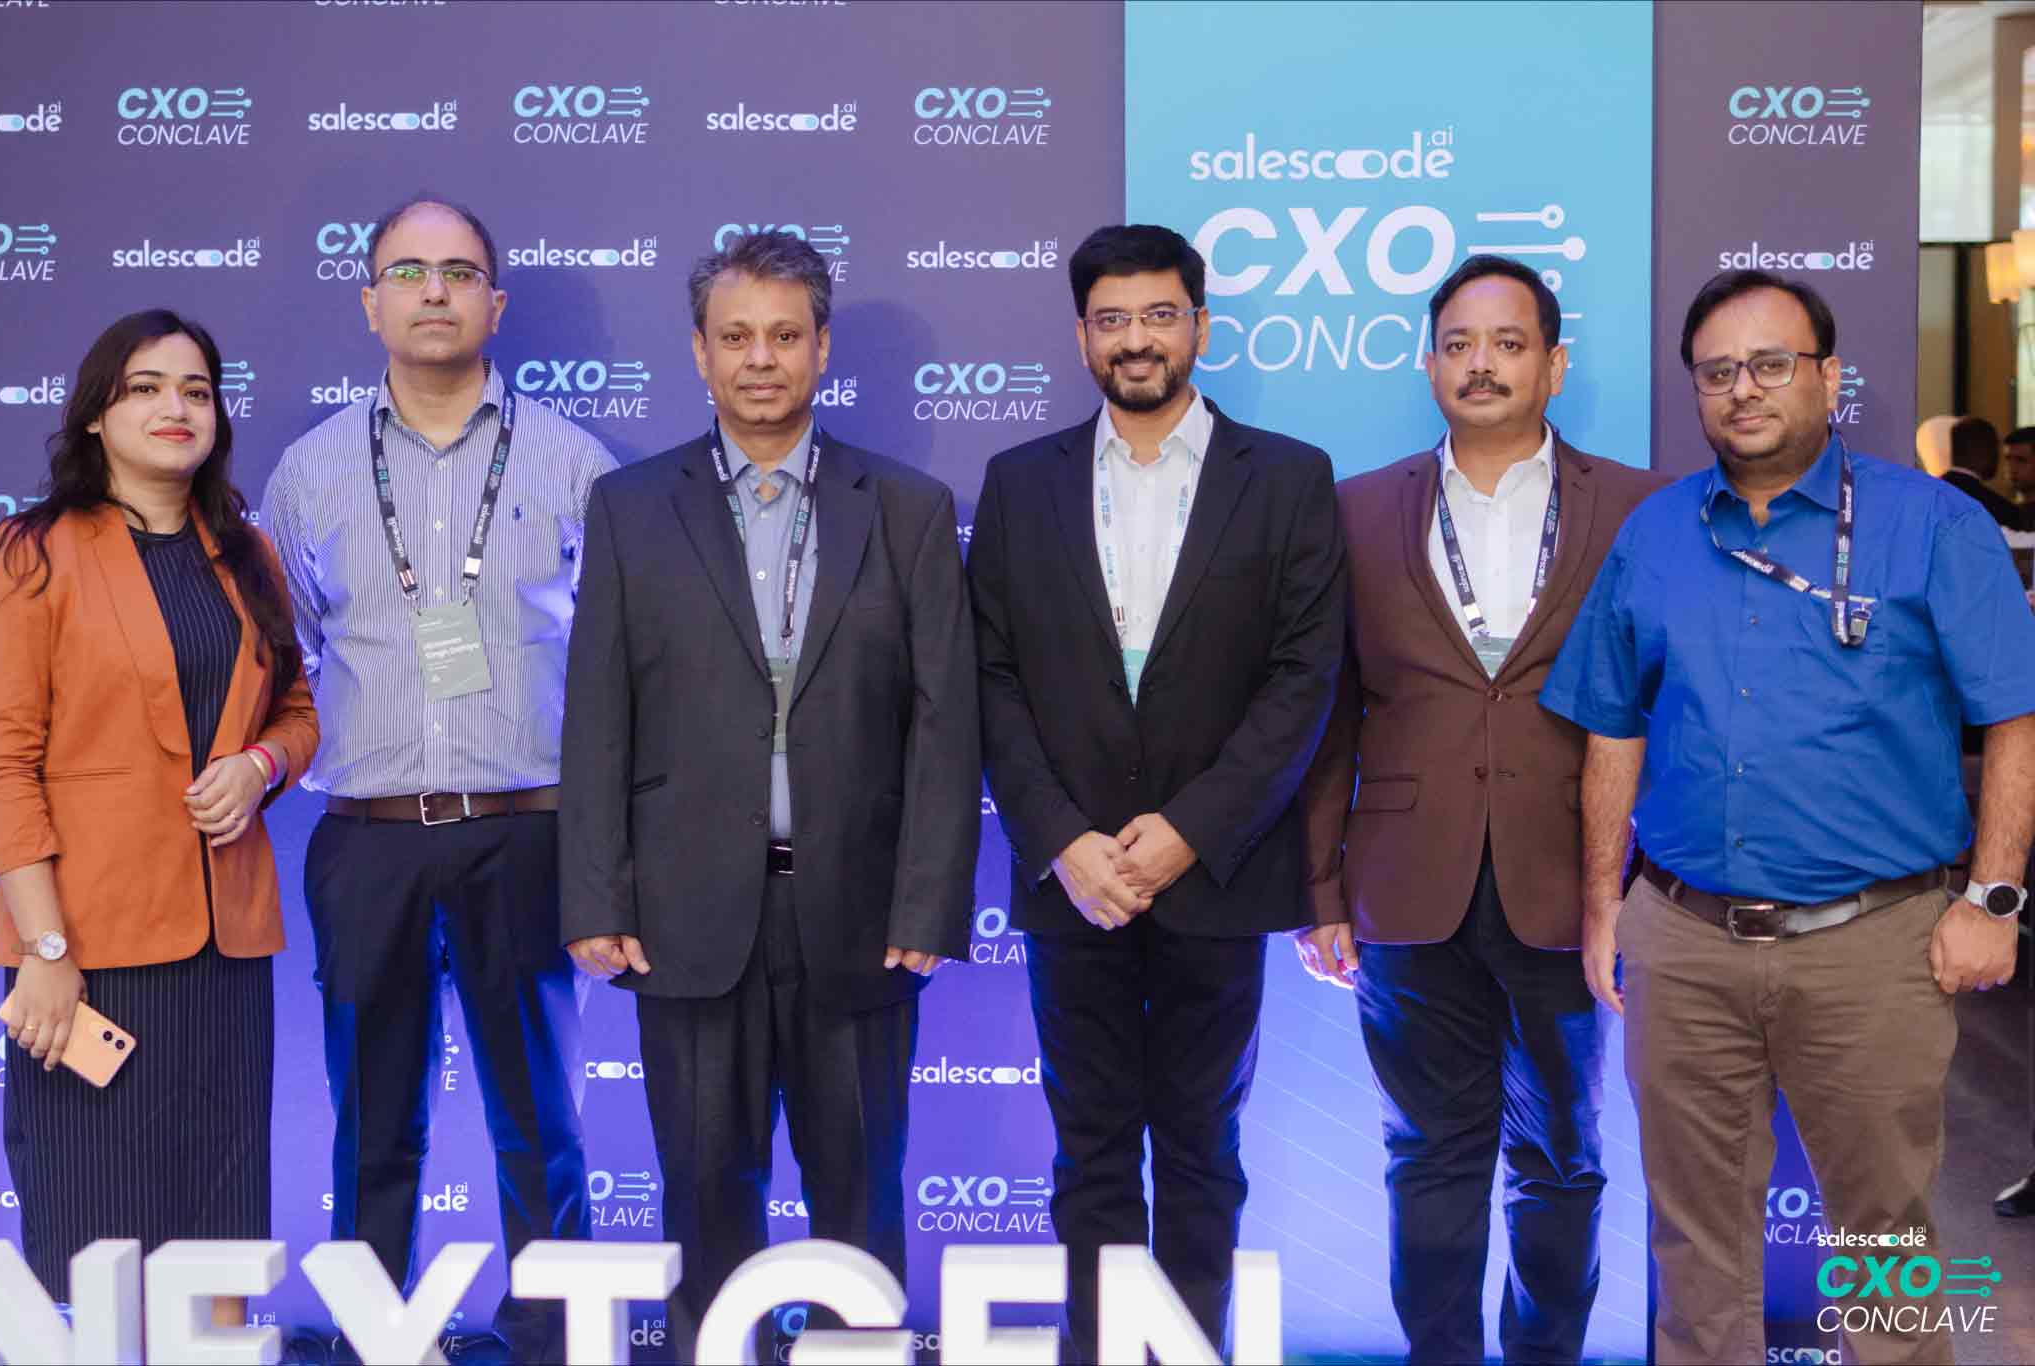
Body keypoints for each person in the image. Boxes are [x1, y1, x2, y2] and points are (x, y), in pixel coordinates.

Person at [1541, 269, 2035, 1365]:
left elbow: (2016, 715)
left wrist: (1993, 897)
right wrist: (1604, 907)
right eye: (1717, 372)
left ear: (1827, 375)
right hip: (1682, 940)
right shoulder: (1655, 534)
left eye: (1770, 364)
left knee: (1885, 1239)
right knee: (1692, 1248)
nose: (1742, 389)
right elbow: (1611, 727)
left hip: (1876, 944)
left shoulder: (1931, 525)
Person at [559, 230, 980, 1359]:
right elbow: (596, 715)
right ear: (698, 351)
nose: (761, 359)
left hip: (859, 914)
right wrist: (596, 895)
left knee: (862, 1191)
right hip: (684, 917)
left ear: (822, 348)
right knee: (704, 1191)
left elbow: (946, 727)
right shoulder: (629, 507)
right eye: (736, 336)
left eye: (785, 336)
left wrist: (927, 902)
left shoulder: (907, 508)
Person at [968, 224, 1346, 1360]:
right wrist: (1060, 839)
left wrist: (1188, 830)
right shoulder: (1019, 482)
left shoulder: (1287, 477)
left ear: (1200, 328)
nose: (1136, 339)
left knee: (1200, 1155)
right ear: (1082, 336)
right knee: (1087, 1158)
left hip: (1215, 877)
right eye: (1112, 319)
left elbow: (1303, 679)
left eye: (1159, 315)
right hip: (1071, 884)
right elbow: (988, 678)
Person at [263, 196, 612, 1363]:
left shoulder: (571, 463)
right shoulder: (310, 470)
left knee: (541, 1116)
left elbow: (617, 658)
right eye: (406, 272)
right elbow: (292, 646)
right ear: (370, 302)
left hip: (527, 827)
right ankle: (374, 1335)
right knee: (371, 1115)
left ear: (494, 303)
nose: (433, 291)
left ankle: (551, 1336)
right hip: (368, 836)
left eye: (457, 272)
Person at [1297, 256, 1662, 1365]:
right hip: (1405, 885)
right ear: (1427, 365)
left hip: (1573, 883)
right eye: (1457, 344)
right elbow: (1329, 714)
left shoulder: (1637, 507)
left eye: (1508, 343)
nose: (1481, 364)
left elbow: (1665, 705)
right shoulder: (1357, 509)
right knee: (1427, 1154)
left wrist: (1642, 885)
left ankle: (1544, 1355)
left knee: (1561, 1156)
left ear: (1554, 363)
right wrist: (1319, 888)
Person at [0, 309, 317, 1317]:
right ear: (96, 413)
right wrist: (44, 947)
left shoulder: (247, 552)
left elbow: (299, 711)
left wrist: (261, 765)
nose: (175, 407)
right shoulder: (30, 553)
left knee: (219, 1225)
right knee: (94, 1231)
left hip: (225, 951)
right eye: (145, 387)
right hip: (87, 948)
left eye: (196, 390)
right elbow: (3, 764)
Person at [1944, 415, 2030, 532]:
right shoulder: (2001, 509)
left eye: (2020, 460)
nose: (2011, 467)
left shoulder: (1926, 495)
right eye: (2006, 458)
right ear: (1986, 451)